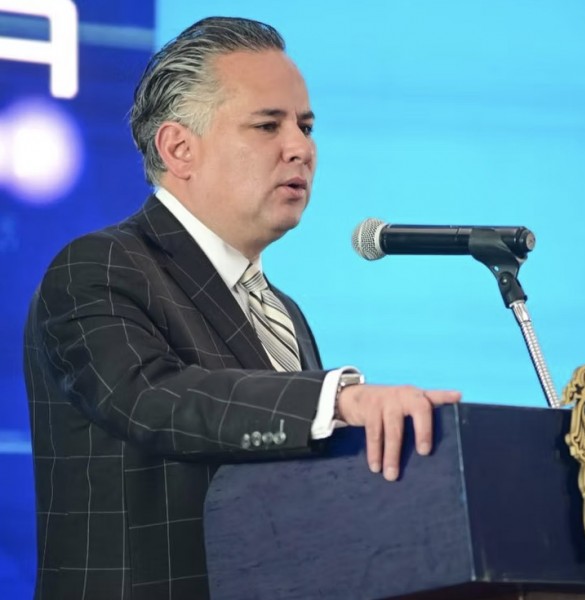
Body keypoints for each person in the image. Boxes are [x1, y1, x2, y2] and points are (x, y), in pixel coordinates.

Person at [23, 16, 460, 600]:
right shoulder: (99, 267)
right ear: (179, 148)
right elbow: (155, 397)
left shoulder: (284, 311)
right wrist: (337, 400)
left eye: (306, 126)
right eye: (267, 125)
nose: (300, 148)